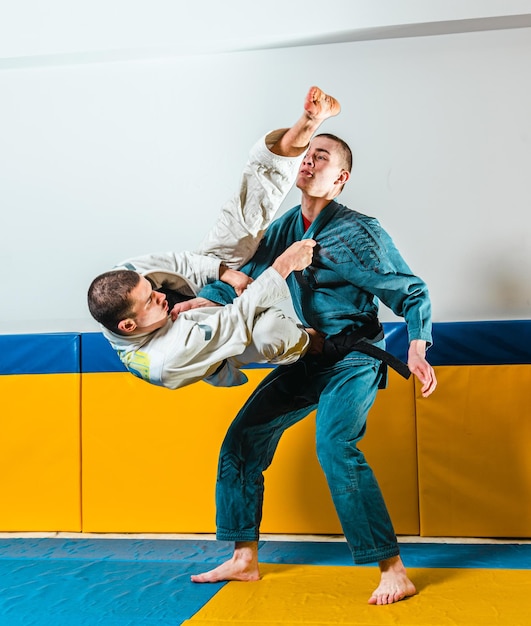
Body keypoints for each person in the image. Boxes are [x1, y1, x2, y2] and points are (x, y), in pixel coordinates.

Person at [190, 130, 438, 605]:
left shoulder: (359, 230)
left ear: (340, 177)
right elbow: (247, 279)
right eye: (304, 155)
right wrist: (202, 300)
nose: (307, 161)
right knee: (243, 440)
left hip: (354, 358)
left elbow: (410, 291)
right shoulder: (285, 228)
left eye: (319, 156)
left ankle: (392, 568)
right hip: (306, 354)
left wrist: (418, 347)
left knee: (335, 445)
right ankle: (244, 559)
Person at [87, 87, 340, 390]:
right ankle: (308, 343)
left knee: (239, 223)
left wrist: (227, 274)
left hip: (199, 288)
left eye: (152, 288)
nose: (160, 294)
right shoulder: (165, 360)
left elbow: (180, 262)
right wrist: (284, 266)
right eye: (151, 299)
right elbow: (236, 317)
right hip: (214, 344)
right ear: (128, 325)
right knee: (271, 334)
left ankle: (309, 121)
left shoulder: (126, 276)